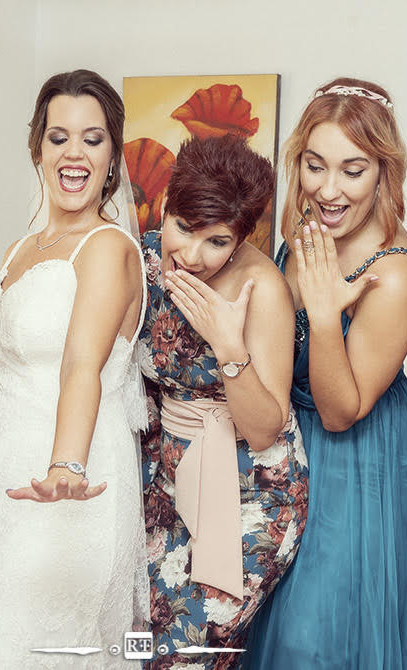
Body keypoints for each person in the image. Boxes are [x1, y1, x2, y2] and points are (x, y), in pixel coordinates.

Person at [0, 69, 147, 669]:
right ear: (37, 147)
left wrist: (66, 465)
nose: (74, 153)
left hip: (64, 486)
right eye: (58, 136)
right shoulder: (19, 250)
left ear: (113, 155)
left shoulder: (110, 248)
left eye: (92, 139)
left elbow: (81, 367)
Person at [247, 78, 407, 670]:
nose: (328, 190)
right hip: (290, 441)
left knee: (319, 638)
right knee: (267, 621)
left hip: (364, 457)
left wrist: (325, 310)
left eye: (352, 170)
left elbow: (340, 410)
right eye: (315, 165)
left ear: (384, 171)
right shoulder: (304, 231)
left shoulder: (398, 271)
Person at [137, 135, 306, 669]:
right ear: (166, 207)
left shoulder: (262, 288)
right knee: (139, 644)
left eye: (217, 241)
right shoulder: (144, 258)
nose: (191, 255)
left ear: (241, 237)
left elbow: (263, 429)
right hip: (161, 474)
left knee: (187, 654)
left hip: (249, 487)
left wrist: (229, 347)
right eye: (183, 228)